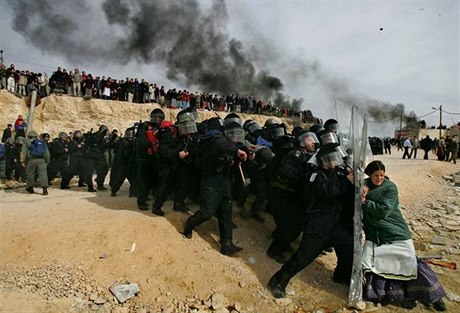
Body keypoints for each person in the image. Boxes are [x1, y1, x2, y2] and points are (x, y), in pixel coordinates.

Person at [268, 144, 354, 298]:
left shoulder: (335, 173)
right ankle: (277, 281)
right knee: (303, 257)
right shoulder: (314, 176)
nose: (332, 163)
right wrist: (347, 182)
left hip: (333, 224)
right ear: (321, 161)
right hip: (317, 226)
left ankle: (341, 275)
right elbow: (328, 192)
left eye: (334, 159)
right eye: (329, 160)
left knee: (349, 245)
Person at [361, 160, 447, 311]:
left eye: (382, 175)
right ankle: (394, 296)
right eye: (376, 175)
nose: (379, 178)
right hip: (376, 235)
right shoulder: (364, 184)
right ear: (369, 174)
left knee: (410, 264)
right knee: (376, 266)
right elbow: (356, 186)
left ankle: (435, 297)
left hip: (396, 232)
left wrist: (365, 201)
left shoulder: (390, 188)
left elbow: (382, 211)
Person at [182, 117, 247, 256]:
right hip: (211, 181)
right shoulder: (213, 140)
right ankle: (189, 225)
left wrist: (244, 152)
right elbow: (223, 146)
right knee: (207, 212)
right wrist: (237, 151)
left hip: (224, 180)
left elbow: (229, 150)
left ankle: (227, 244)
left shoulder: (218, 141)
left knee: (226, 212)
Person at [20, 130, 50, 195]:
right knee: (43, 174)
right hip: (41, 160)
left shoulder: (26, 142)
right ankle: (44, 189)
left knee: (30, 174)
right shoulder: (41, 142)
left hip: (31, 160)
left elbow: (23, 152)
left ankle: (30, 188)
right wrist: (47, 161)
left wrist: (22, 161)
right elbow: (47, 153)